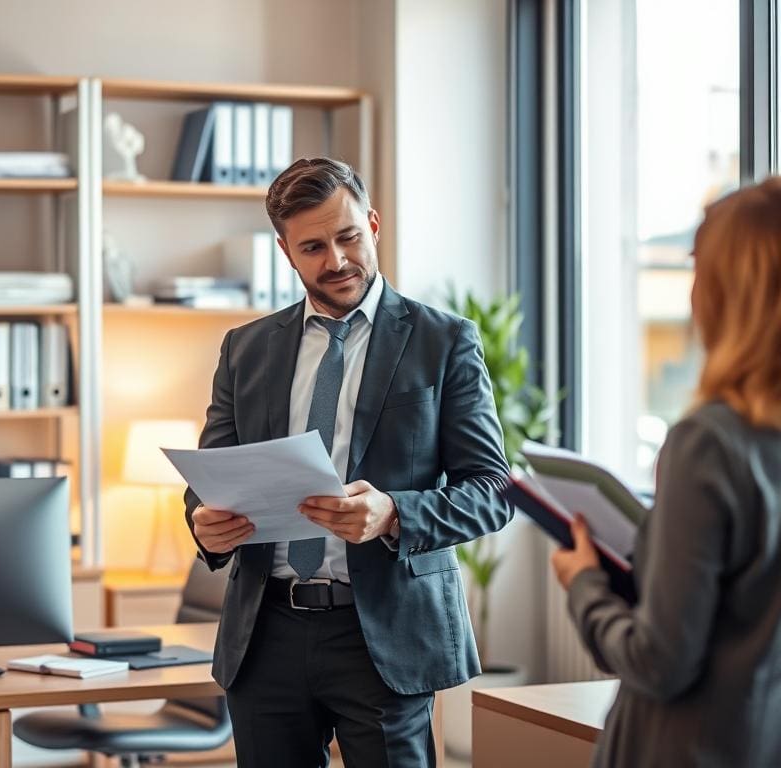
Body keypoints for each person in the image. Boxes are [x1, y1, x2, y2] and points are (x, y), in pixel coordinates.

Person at [183, 157, 513, 766]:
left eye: (348, 236)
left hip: (384, 635)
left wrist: (392, 513)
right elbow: (211, 476)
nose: (335, 260)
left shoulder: (445, 341)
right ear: (286, 252)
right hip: (266, 635)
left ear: (375, 224)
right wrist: (205, 521)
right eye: (313, 246)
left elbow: (492, 490)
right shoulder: (245, 348)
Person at [552, 176, 781, 767]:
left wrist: (584, 584)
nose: (690, 297)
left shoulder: (709, 444)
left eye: (699, 272)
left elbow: (660, 661)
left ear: (731, 292)